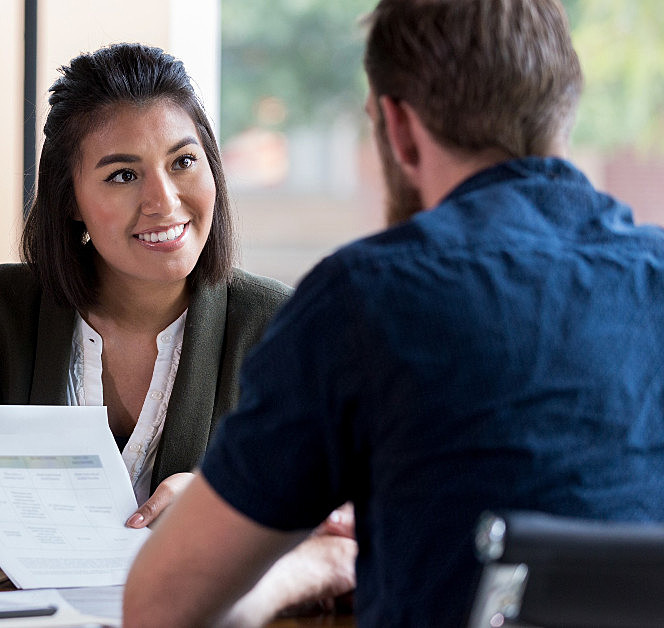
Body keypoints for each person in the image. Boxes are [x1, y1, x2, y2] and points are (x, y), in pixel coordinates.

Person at [124, 1, 664, 626]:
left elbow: (160, 606)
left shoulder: (365, 299)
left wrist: (318, 562)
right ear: (565, 105)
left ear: (398, 127)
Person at [0, 42, 355, 613]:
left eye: (183, 162)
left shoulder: (277, 325)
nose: (163, 201)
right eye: (123, 175)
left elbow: (345, 521)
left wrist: (228, 507)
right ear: (71, 199)